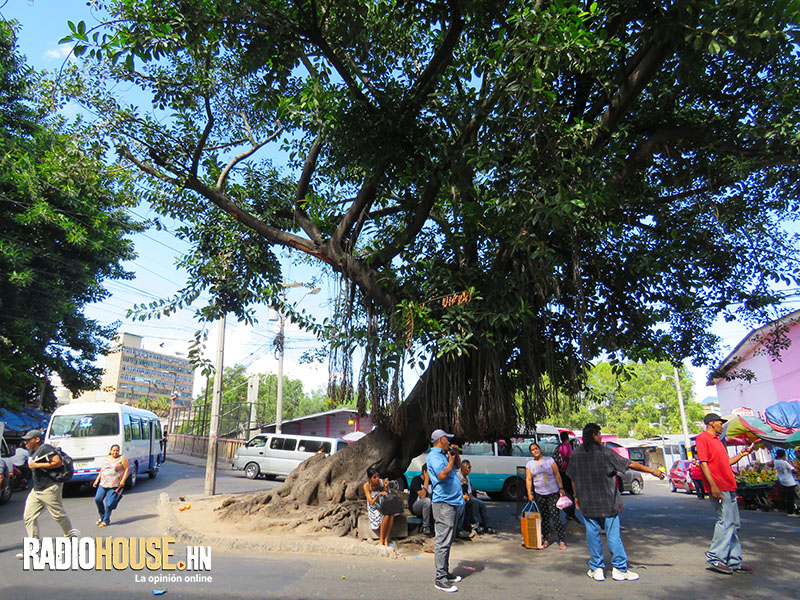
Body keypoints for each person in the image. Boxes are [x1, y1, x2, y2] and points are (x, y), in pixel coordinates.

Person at [567, 423, 665, 582]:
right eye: (599, 434)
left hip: (587, 503)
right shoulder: (606, 453)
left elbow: (572, 478)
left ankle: (597, 568)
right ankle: (619, 569)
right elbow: (629, 464)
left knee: (593, 536)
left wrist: (576, 496)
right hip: (608, 502)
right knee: (613, 536)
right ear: (594, 435)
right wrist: (652, 471)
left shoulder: (576, 454)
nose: (600, 437)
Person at [696, 413, 754, 574]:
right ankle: (715, 557)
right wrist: (713, 486)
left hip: (729, 485)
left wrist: (743, 454)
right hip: (719, 487)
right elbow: (703, 464)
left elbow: (726, 462)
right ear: (712, 423)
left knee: (734, 524)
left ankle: (734, 561)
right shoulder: (702, 439)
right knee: (725, 522)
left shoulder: (718, 441)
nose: (722, 426)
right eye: (720, 423)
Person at [17, 430, 79, 558]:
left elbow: (57, 462)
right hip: (37, 490)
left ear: (37, 439)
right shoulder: (32, 451)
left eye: (28, 440)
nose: (26, 442)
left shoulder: (45, 448)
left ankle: (70, 539)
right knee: (28, 517)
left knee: (59, 516)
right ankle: (33, 548)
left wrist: (36, 465)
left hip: (49, 488)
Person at [427, 428, 465, 593]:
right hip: (443, 504)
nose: (449, 442)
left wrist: (454, 455)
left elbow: (457, 467)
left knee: (448, 540)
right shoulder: (434, 456)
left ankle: (445, 572)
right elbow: (442, 475)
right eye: (447, 439)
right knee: (442, 541)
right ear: (440, 440)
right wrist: (450, 462)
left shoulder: (444, 454)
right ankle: (440, 579)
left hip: (452, 502)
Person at [525, 442, 567, 549]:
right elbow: (529, 479)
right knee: (545, 517)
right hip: (539, 494)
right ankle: (546, 540)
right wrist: (529, 493)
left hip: (553, 492)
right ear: (531, 452)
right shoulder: (530, 464)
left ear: (540, 449)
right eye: (533, 450)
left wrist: (561, 488)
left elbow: (557, 474)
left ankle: (561, 540)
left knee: (555, 515)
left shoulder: (549, 460)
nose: (535, 451)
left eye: (536, 448)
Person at [92, 444, 130, 527]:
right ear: (110, 451)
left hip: (114, 484)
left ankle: (106, 520)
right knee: (98, 499)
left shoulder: (122, 459)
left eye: (117, 450)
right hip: (103, 483)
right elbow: (102, 469)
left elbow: (127, 469)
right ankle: (102, 516)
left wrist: (123, 480)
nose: (115, 452)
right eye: (114, 450)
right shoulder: (107, 458)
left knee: (109, 504)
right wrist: (97, 480)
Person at [459, 460, 496, 535]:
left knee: (481, 503)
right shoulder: (458, 476)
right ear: (463, 468)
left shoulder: (467, 478)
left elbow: (469, 492)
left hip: (467, 497)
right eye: (468, 467)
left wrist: (472, 497)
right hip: (460, 497)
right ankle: (475, 523)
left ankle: (487, 525)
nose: (470, 469)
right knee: (474, 502)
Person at [363, 467, 395, 546]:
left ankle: (386, 538)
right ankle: (381, 539)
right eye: (374, 477)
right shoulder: (366, 486)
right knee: (386, 515)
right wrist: (378, 495)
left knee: (392, 514)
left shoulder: (380, 482)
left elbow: (387, 494)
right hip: (374, 507)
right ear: (369, 479)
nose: (377, 479)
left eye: (378, 476)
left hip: (382, 504)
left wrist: (385, 487)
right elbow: (371, 502)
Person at [555, 431, 577, 520]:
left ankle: (569, 513)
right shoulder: (567, 446)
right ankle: (571, 513)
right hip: (567, 470)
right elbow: (570, 457)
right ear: (567, 438)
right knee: (571, 492)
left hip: (560, 470)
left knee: (565, 490)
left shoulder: (559, 446)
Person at [409, 464, 433, 536]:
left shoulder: (432, 482)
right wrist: (426, 480)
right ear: (425, 472)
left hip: (428, 507)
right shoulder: (416, 480)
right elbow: (422, 496)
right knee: (427, 501)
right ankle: (426, 527)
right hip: (416, 506)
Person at [773, 449, 799, 516]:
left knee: (788, 496)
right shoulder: (784, 462)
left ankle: (790, 510)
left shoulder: (776, 462)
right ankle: (791, 511)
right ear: (784, 455)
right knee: (791, 497)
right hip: (789, 481)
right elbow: (794, 470)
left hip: (782, 480)